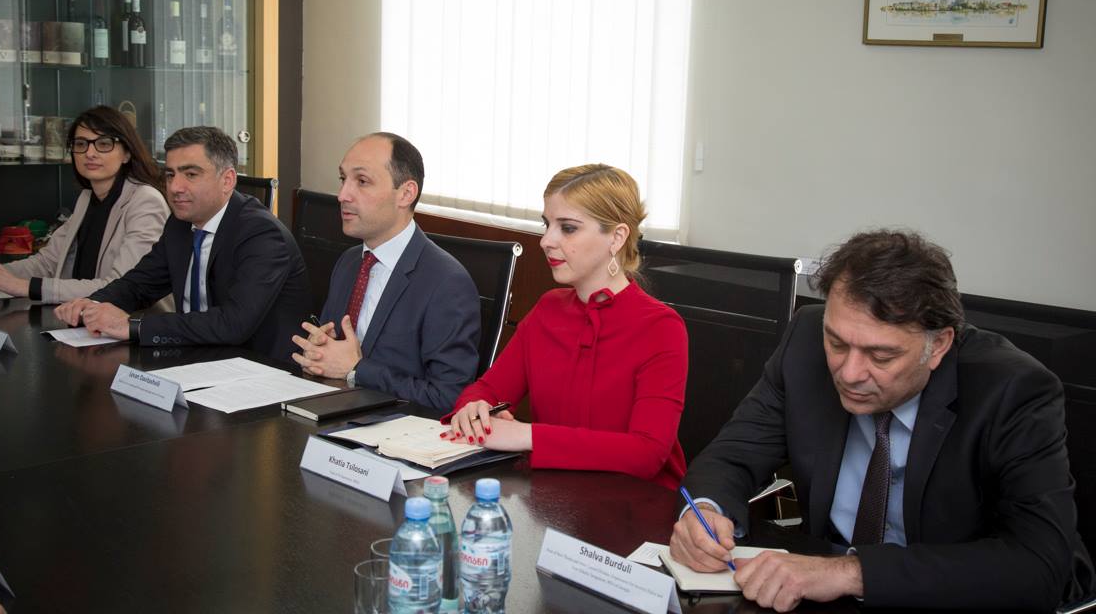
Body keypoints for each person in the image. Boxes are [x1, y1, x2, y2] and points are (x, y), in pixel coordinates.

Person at [669, 229, 1094, 612]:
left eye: (881, 355)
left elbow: (1038, 564)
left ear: (938, 345)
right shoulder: (805, 341)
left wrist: (851, 572)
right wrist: (705, 512)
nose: (850, 373)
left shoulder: (1012, 391)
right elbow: (732, 454)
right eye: (837, 343)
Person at [444, 164, 688, 489]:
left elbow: (647, 453)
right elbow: (487, 389)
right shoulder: (549, 308)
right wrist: (474, 408)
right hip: (554, 495)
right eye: (547, 225)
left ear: (617, 237)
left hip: (634, 503)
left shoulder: (660, 327)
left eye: (568, 228)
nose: (546, 241)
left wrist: (527, 435)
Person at [55, 126, 310, 364]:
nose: (175, 187)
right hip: (195, 357)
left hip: (258, 369)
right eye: (170, 175)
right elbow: (140, 284)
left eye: (191, 174)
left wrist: (132, 326)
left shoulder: (262, 235)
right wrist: (92, 305)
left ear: (227, 180)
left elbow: (233, 324)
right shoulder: (180, 224)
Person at [291, 132, 480, 411]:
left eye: (362, 181)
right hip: (333, 412)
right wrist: (319, 352)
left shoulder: (447, 283)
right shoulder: (349, 262)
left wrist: (357, 370)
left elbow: (449, 397)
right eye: (343, 179)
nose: (342, 195)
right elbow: (336, 355)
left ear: (405, 194)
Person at [0, 106, 168, 303]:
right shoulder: (87, 198)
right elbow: (47, 262)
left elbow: (121, 287)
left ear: (127, 154)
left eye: (104, 144)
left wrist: (25, 287)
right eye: (81, 144)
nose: (90, 153)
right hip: (81, 317)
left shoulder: (145, 201)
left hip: (133, 322)